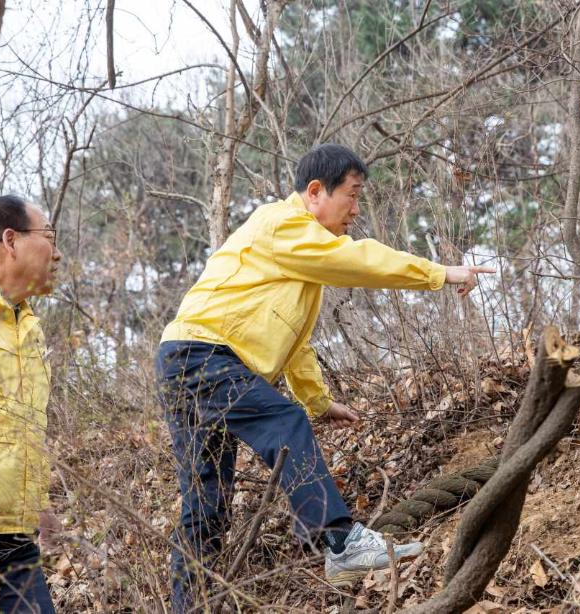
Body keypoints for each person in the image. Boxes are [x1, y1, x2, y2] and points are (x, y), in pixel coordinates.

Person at [155, 143, 496, 610]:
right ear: (315, 192)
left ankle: (186, 606)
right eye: (352, 195)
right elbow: (360, 262)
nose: (356, 210)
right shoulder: (282, 225)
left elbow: (294, 343)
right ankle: (339, 541)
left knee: (206, 505)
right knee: (282, 424)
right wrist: (442, 273)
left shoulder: (297, 258)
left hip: (183, 361)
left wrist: (318, 402)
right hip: (202, 355)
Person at [0, 194, 62, 613]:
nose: (56, 252)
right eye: (49, 237)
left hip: (15, 543)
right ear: (11, 240)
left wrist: (38, 506)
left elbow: (21, 426)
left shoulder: (28, 326)